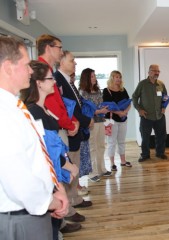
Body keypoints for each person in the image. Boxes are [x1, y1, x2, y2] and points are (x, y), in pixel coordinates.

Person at [0, 36, 68, 240]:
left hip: (32, 210)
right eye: (26, 64)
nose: (31, 70)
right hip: (21, 218)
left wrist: (55, 189)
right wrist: (49, 202)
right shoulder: (4, 113)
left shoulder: (15, 107)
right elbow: (16, 176)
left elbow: (35, 159)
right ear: (7, 67)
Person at [20, 60, 79, 240]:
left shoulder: (42, 108)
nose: (54, 81)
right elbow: (44, 149)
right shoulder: (34, 112)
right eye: (50, 78)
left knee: (54, 228)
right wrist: (67, 165)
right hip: (46, 177)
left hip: (52, 178)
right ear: (38, 83)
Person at [36, 34, 83, 233]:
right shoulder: (42, 70)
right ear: (48, 48)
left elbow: (59, 104)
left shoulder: (48, 70)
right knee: (58, 173)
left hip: (59, 126)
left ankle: (61, 217)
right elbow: (52, 106)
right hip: (53, 128)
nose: (61, 52)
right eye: (59, 48)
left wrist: (70, 121)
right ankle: (59, 219)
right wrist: (68, 122)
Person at [55, 50, 94, 222]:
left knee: (75, 167)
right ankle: (68, 208)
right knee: (69, 171)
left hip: (75, 131)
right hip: (69, 131)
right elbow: (67, 109)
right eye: (72, 60)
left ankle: (75, 199)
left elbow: (76, 105)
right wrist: (86, 121)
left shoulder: (67, 80)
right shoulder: (57, 79)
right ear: (62, 62)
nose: (75, 63)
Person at [79, 68, 111, 178]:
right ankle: (92, 173)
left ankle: (102, 169)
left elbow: (100, 104)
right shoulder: (83, 92)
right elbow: (86, 109)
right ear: (86, 78)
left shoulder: (98, 90)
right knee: (92, 147)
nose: (95, 78)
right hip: (90, 122)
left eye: (95, 76)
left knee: (101, 145)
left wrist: (105, 109)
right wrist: (99, 111)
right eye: (92, 76)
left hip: (100, 121)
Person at [132, 64, 168, 162]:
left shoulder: (161, 84)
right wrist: (139, 109)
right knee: (145, 137)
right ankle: (145, 155)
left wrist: (164, 106)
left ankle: (160, 153)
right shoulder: (142, 84)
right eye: (154, 70)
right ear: (149, 72)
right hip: (146, 116)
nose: (156, 72)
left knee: (161, 136)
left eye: (158, 71)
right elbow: (134, 97)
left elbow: (165, 96)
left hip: (159, 116)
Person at [103, 70, 132, 170]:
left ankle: (123, 161)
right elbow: (106, 106)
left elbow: (129, 103)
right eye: (116, 77)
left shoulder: (123, 90)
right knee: (111, 142)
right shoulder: (106, 90)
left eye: (120, 77)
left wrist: (125, 112)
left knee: (121, 141)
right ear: (112, 78)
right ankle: (112, 164)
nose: (119, 79)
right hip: (112, 120)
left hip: (123, 119)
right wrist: (119, 113)